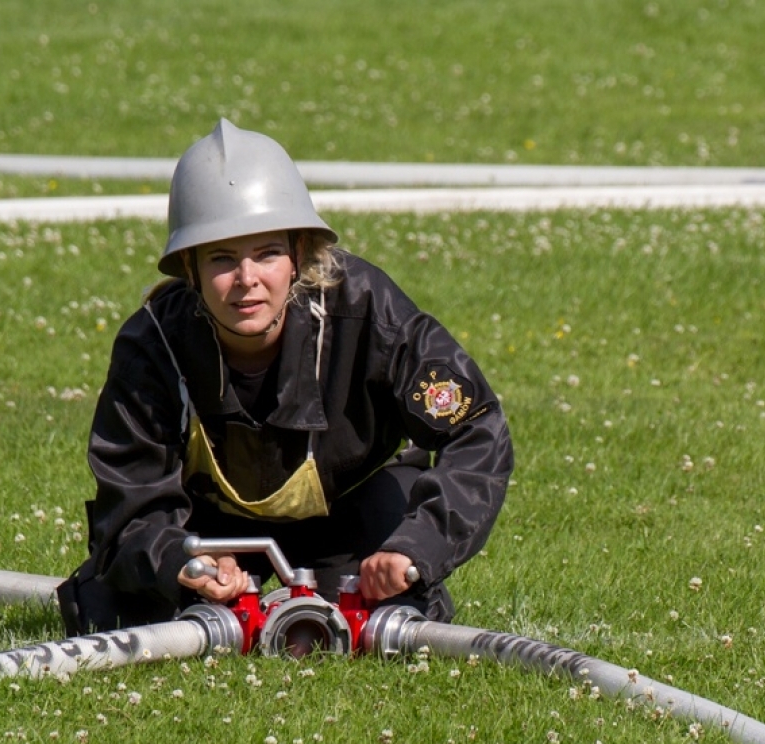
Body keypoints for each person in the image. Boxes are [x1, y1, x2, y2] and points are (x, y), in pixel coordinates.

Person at [57, 119, 513, 634]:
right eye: (222, 259)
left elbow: (476, 427)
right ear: (189, 267)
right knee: (110, 609)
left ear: (299, 255)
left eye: (267, 253)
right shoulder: (152, 346)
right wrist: (180, 563)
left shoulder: (370, 311)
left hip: (354, 514)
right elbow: (130, 502)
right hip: (210, 534)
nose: (247, 281)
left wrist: (416, 546)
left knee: (383, 622)